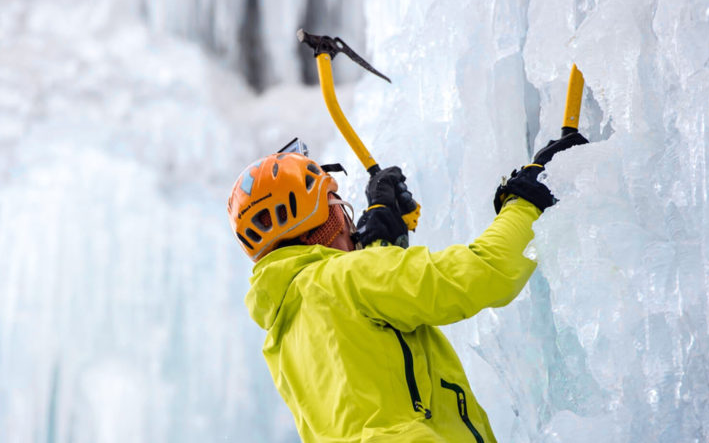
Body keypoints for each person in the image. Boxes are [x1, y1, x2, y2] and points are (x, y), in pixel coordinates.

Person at [227, 132, 588, 442]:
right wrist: (529, 199)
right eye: (337, 207)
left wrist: (378, 245)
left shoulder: (282, 335)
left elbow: (368, 350)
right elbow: (486, 272)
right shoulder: (350, 278)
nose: (348, 221)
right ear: (322, 226)